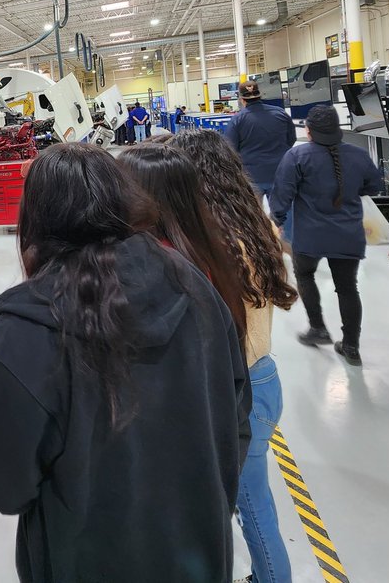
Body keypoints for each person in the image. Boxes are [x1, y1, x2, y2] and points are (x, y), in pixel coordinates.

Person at [0, 143, 250, 583]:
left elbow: (1, 477)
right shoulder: (191, 282)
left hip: (86, 561)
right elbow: (236, 411)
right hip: (199, 553)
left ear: (35, 219)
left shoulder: (32, 323)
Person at [158, 133, 301, 583]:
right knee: (254, 499)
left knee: (252, 506)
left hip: (233, 390)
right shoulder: (254, 226)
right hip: (263, 376)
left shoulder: (213, 244)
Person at [269, 106, 384, 366]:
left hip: (309, 236)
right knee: (347, 288)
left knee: (305, 275)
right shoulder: (358, 155)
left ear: (308, 131)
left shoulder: (297, 156)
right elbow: (374, 185)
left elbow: (282, 194)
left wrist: (277, 220)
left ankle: (318, 327)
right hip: (348, 235)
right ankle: (351, 346)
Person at [222, 80, 297, 198]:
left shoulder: (237, 120)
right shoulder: (280, 113)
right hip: (281, 173)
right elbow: (291, 139)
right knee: (283, 214)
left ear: (242, 100)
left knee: (254, 214)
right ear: (260, 96)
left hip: (251, 176)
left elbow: (230, 150)